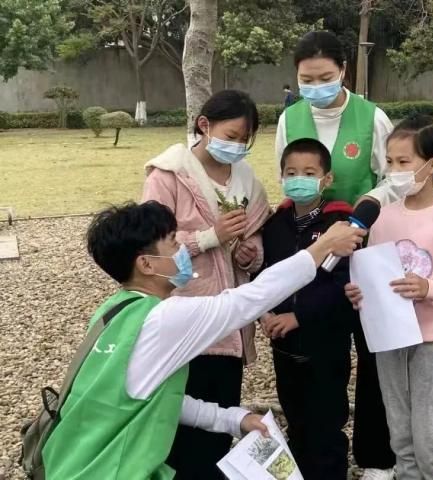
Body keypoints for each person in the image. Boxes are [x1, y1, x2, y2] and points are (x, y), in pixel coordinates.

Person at [41, 201, 366, 479]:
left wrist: (232, 419)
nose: (182, 250)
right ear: (146, 264)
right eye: (172, 243)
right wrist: (321, 248)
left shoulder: (114, 310)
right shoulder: (163, 319)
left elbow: (155, 397)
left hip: (73, 463)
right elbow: (247, 301)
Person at [276, 30, 398, 479]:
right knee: (320, 345)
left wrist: (365, 210)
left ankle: (376, 458)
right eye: (306, 80)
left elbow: (394, 176)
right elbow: (286, 179)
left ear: (344, 70)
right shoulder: (290, 118)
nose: (315, 87)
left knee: (371, 350)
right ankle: (315, 445)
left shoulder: (372, 117)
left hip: (365, 244)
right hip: (313, 247)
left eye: (325, 77)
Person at [345, 115, 433, 480]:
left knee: (431, 441)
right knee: (401, 438)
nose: (394, 171)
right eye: (389, 162)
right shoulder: (381, 217)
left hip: (432, 345)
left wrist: (429, 288)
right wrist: (360, 292)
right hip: (390, 342)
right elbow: (375, 275)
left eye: (403, 162)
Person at [142, 89, 270, 478]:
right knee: (178, 415)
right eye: (230, 136)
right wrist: (210, 236)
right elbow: (150, 247)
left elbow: (256, 234)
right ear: (204, 126)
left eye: (243, 140)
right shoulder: (168, 175)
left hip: (228, 321)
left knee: (222, 414)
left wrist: (250, 253)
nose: (237, 146)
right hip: (184, 313)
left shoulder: (246, 179)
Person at [259, 138, 357, 480]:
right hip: (284, 347)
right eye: (291, 172)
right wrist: (266, 313)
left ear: (326, 179)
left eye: (309, 172)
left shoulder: (341, 225)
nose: (298, 179)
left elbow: (343, 285)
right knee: (296, 421)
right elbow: (265, 274)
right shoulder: (275, 225)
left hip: (325, 347)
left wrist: (299, 317)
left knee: (326, 427)